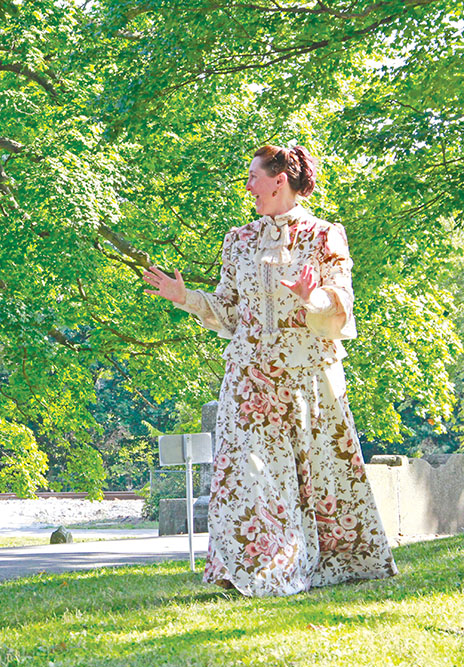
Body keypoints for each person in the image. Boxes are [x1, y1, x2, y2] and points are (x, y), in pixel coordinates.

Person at [142, 145, 397, 596]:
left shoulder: (323, 236)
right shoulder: (238, 240)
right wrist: (185, 297)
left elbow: (339, 304)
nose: (248, 186)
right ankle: (252, 571)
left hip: (307, 377)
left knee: (315, 474)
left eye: (254, 177)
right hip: (248, 378)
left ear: (280, 180)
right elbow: (227, 311)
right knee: (246, 473)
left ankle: (319, 563)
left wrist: (310, 296)